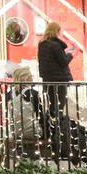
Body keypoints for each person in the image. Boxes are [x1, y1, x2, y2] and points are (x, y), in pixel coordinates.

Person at [37, 21, 74, 158]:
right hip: (59, 80)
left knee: (51, 107)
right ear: (57, 31)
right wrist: (70, 54)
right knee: (58, 108)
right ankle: (58, 138)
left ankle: (50, 134)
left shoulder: (42, 44)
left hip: (47, 80)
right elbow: (63, 62)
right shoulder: (56, 45)